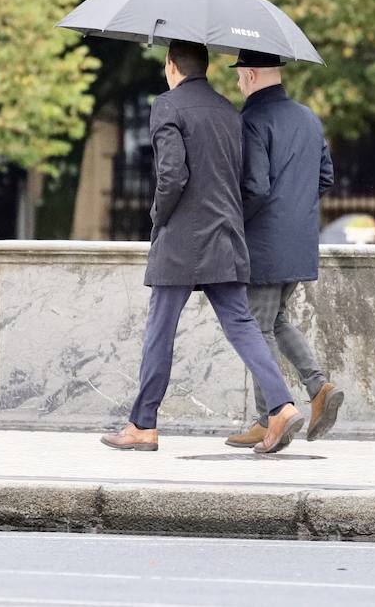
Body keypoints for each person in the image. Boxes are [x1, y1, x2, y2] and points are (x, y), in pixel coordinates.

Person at [102, 41, 305, 455]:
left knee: (160, 330)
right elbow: (247, 181)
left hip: (180, 240)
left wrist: (158, 217)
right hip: (225, 236)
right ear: (206, 67)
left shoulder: (167, 106)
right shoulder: (229, 110)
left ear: (171, 65)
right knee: (242, 325)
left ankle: (143, 425)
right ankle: (282, 406)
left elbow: (172, 176)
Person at [226, 50, 344, 447]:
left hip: (263, 242)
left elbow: (255, 188)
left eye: (239, 75)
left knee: (256, 327)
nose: (238, 82)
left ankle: (270, 417)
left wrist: (234, 223)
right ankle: (318, 387)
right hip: (299, 242)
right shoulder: (308, 118)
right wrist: (295, 211)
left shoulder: (252, 120)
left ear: (251, 74)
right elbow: (325, 177)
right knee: (275, 319)